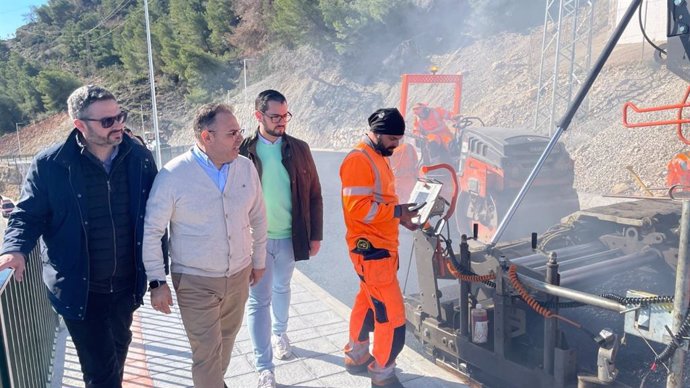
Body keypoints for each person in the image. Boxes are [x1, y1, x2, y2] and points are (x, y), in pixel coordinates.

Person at [0, 84, 165, 388]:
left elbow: (155, 217)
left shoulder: (138, 156)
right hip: (80, 291)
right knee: (101, 373)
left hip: (127, 286)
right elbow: (27, 215)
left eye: (120, 116)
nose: (118, 125)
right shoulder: (51, 164)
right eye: (107, 121)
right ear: (79, 125)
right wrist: (15, 249)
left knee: (116, 355)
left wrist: (159, 277)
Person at [142, 103, 267, 388]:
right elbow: (152, 231)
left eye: (240, 131)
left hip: (238, 276)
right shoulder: (173, 175)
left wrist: (258, 260)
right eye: (232, 133)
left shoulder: (246, 168)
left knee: (223, 345)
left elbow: (259, 217)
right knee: (207, 354)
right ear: (206, 136)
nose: (240, 138)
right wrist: (156, 281)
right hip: (195, 281)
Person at [240, 89, 323, 388]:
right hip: (255, 241)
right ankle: (265, 368)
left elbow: (315, 193)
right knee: (258, 300)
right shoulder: (242, 150)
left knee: (283, 287)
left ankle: (280, 333)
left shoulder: (299, 148)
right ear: (258, 116)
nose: (282, 121)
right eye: (275, 116)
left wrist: (315, 235)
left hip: (291, 236)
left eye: (285, 115)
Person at [340, 108, 419, 388]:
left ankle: (356, 356)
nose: (397, 145)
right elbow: (359, 209)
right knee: (393, 315)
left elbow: (380, 205)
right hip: (372, 251)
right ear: (377, 133)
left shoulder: (378, 156)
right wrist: (397, 212)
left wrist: (401, 218)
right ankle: (383, 375)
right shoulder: (359, 160)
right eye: (393, 139)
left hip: (378, 249)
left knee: (367, 302)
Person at [389, 137, 419, 203]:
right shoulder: (408, 147)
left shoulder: (388, 150)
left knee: (401, 205)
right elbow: (416, 166)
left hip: (397, 185)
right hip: (411, 184)